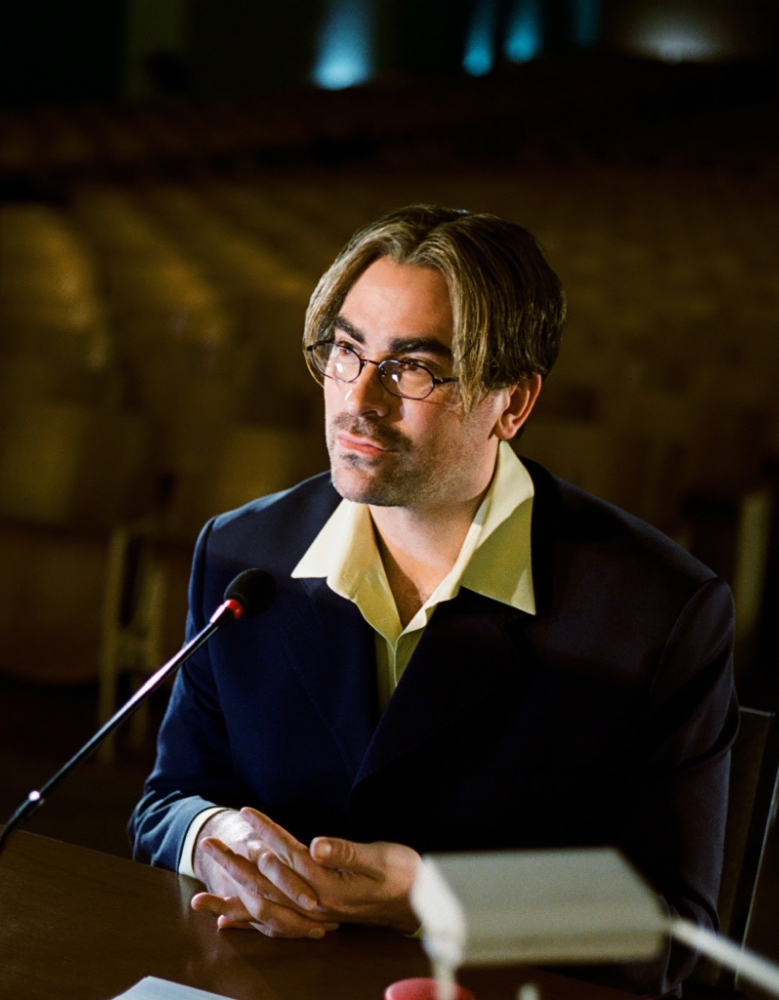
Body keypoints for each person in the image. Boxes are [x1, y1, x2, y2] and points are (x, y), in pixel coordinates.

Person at [130, 205, 738, 998]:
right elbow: (166, 804)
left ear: (512, 404)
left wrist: (430, 895)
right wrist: (210, 837)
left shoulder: (660, 613)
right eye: (347, 351)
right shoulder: (243, 554)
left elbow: (673, 931)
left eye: (413, 367)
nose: (361, 400)